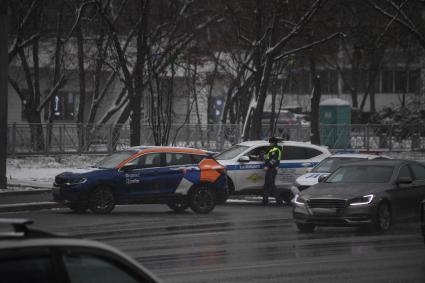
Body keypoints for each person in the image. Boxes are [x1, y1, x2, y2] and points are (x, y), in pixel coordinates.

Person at [262, 137, 283, 206]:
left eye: (270, 142)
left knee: (271, 185)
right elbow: (268, 158)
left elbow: (274, 160)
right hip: (270, 169)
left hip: (272, 169)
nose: (269, 144)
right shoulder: (271, 149)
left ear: (274, 143)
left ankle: (279, 200)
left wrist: (267, 166)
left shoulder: (276, 150)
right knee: (267, 186)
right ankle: (265, 201)